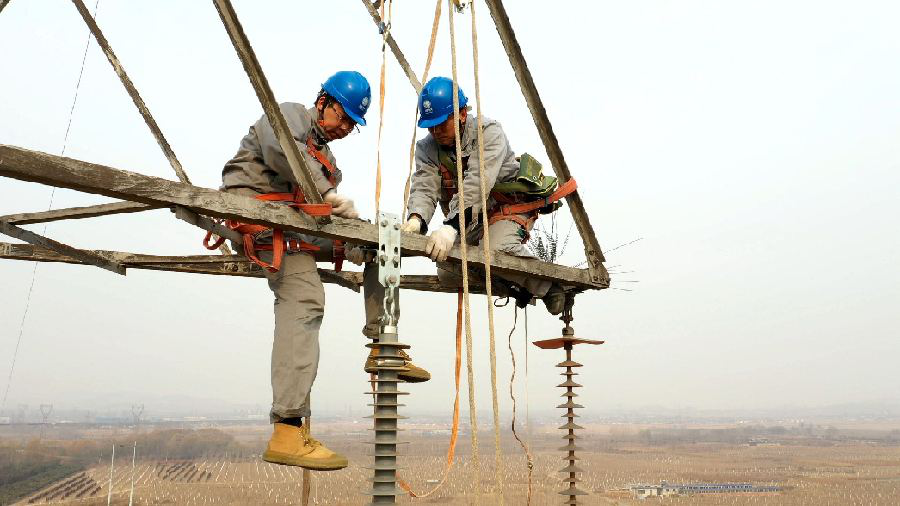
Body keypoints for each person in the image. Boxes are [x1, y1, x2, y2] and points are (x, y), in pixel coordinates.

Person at [219, 71, 428, 471]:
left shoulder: (327, 158)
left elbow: (317, 201)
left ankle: (383, 346)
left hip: (297, 224)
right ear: (323, 102)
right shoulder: (289, 117)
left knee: (377, 245)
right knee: (305, 298)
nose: (346, 127)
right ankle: (287, 429)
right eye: (343, 117)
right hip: (260, 221)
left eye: (353, 123)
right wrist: (328, 195)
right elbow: (283, 150)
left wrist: (352, 228)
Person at [403, 76, 569, 314]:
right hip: (472, 220)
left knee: (497, 249)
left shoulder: (489, 133)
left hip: (504, 211)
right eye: (431, 126)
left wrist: (451, 227)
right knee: (447, 270)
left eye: (441, 124)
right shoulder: (427, 148)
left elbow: (478, 183)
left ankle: (548, 286)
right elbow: (424, 186)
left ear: (461, 114)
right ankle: (511, 283)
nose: (435, 131)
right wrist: (416, 219)